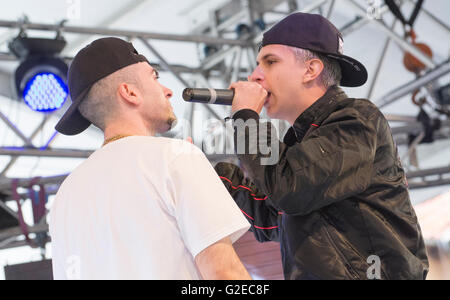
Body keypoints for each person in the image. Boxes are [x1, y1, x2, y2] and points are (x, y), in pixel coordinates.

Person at [215, 12, 429, 280]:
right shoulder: (299, 147)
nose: (255, 75)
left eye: (270, 62)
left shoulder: (357, 120)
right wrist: (207, 174)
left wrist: (246, 118)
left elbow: (288, 188)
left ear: (310, 70)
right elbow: (270, 216)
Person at [49, 37, 251, 280]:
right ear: (130, 92)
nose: (168, 91)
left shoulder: (65, 196)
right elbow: (225, 273)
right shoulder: (174, 158)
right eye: (154, 77)